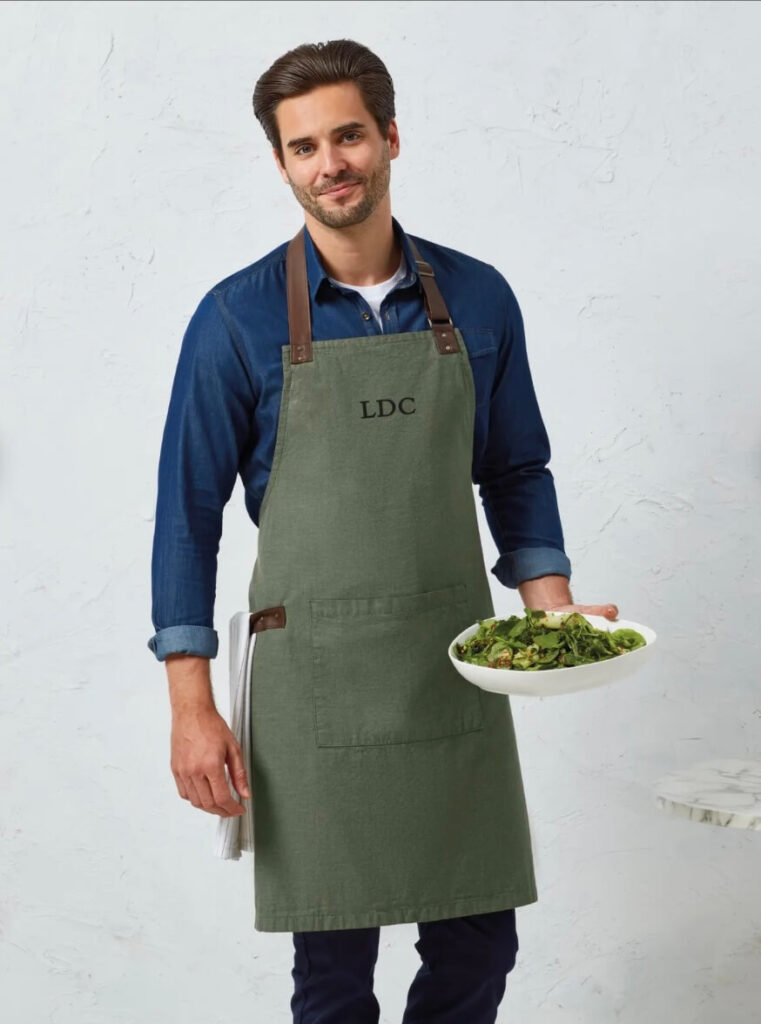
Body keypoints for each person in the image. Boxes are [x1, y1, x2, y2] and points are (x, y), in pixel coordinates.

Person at [147, 38, 619, 1024]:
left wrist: (553, 612)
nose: (331, 163)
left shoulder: (477, 297)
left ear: (389, 136)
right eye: (305, 145)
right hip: (312, 688)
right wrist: (191, 705)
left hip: (451, 665)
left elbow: (514, 469)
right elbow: (185, 521)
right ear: (281, 163)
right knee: (331, 970)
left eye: (349, 135)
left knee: (481, 940)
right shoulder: (233, 321)